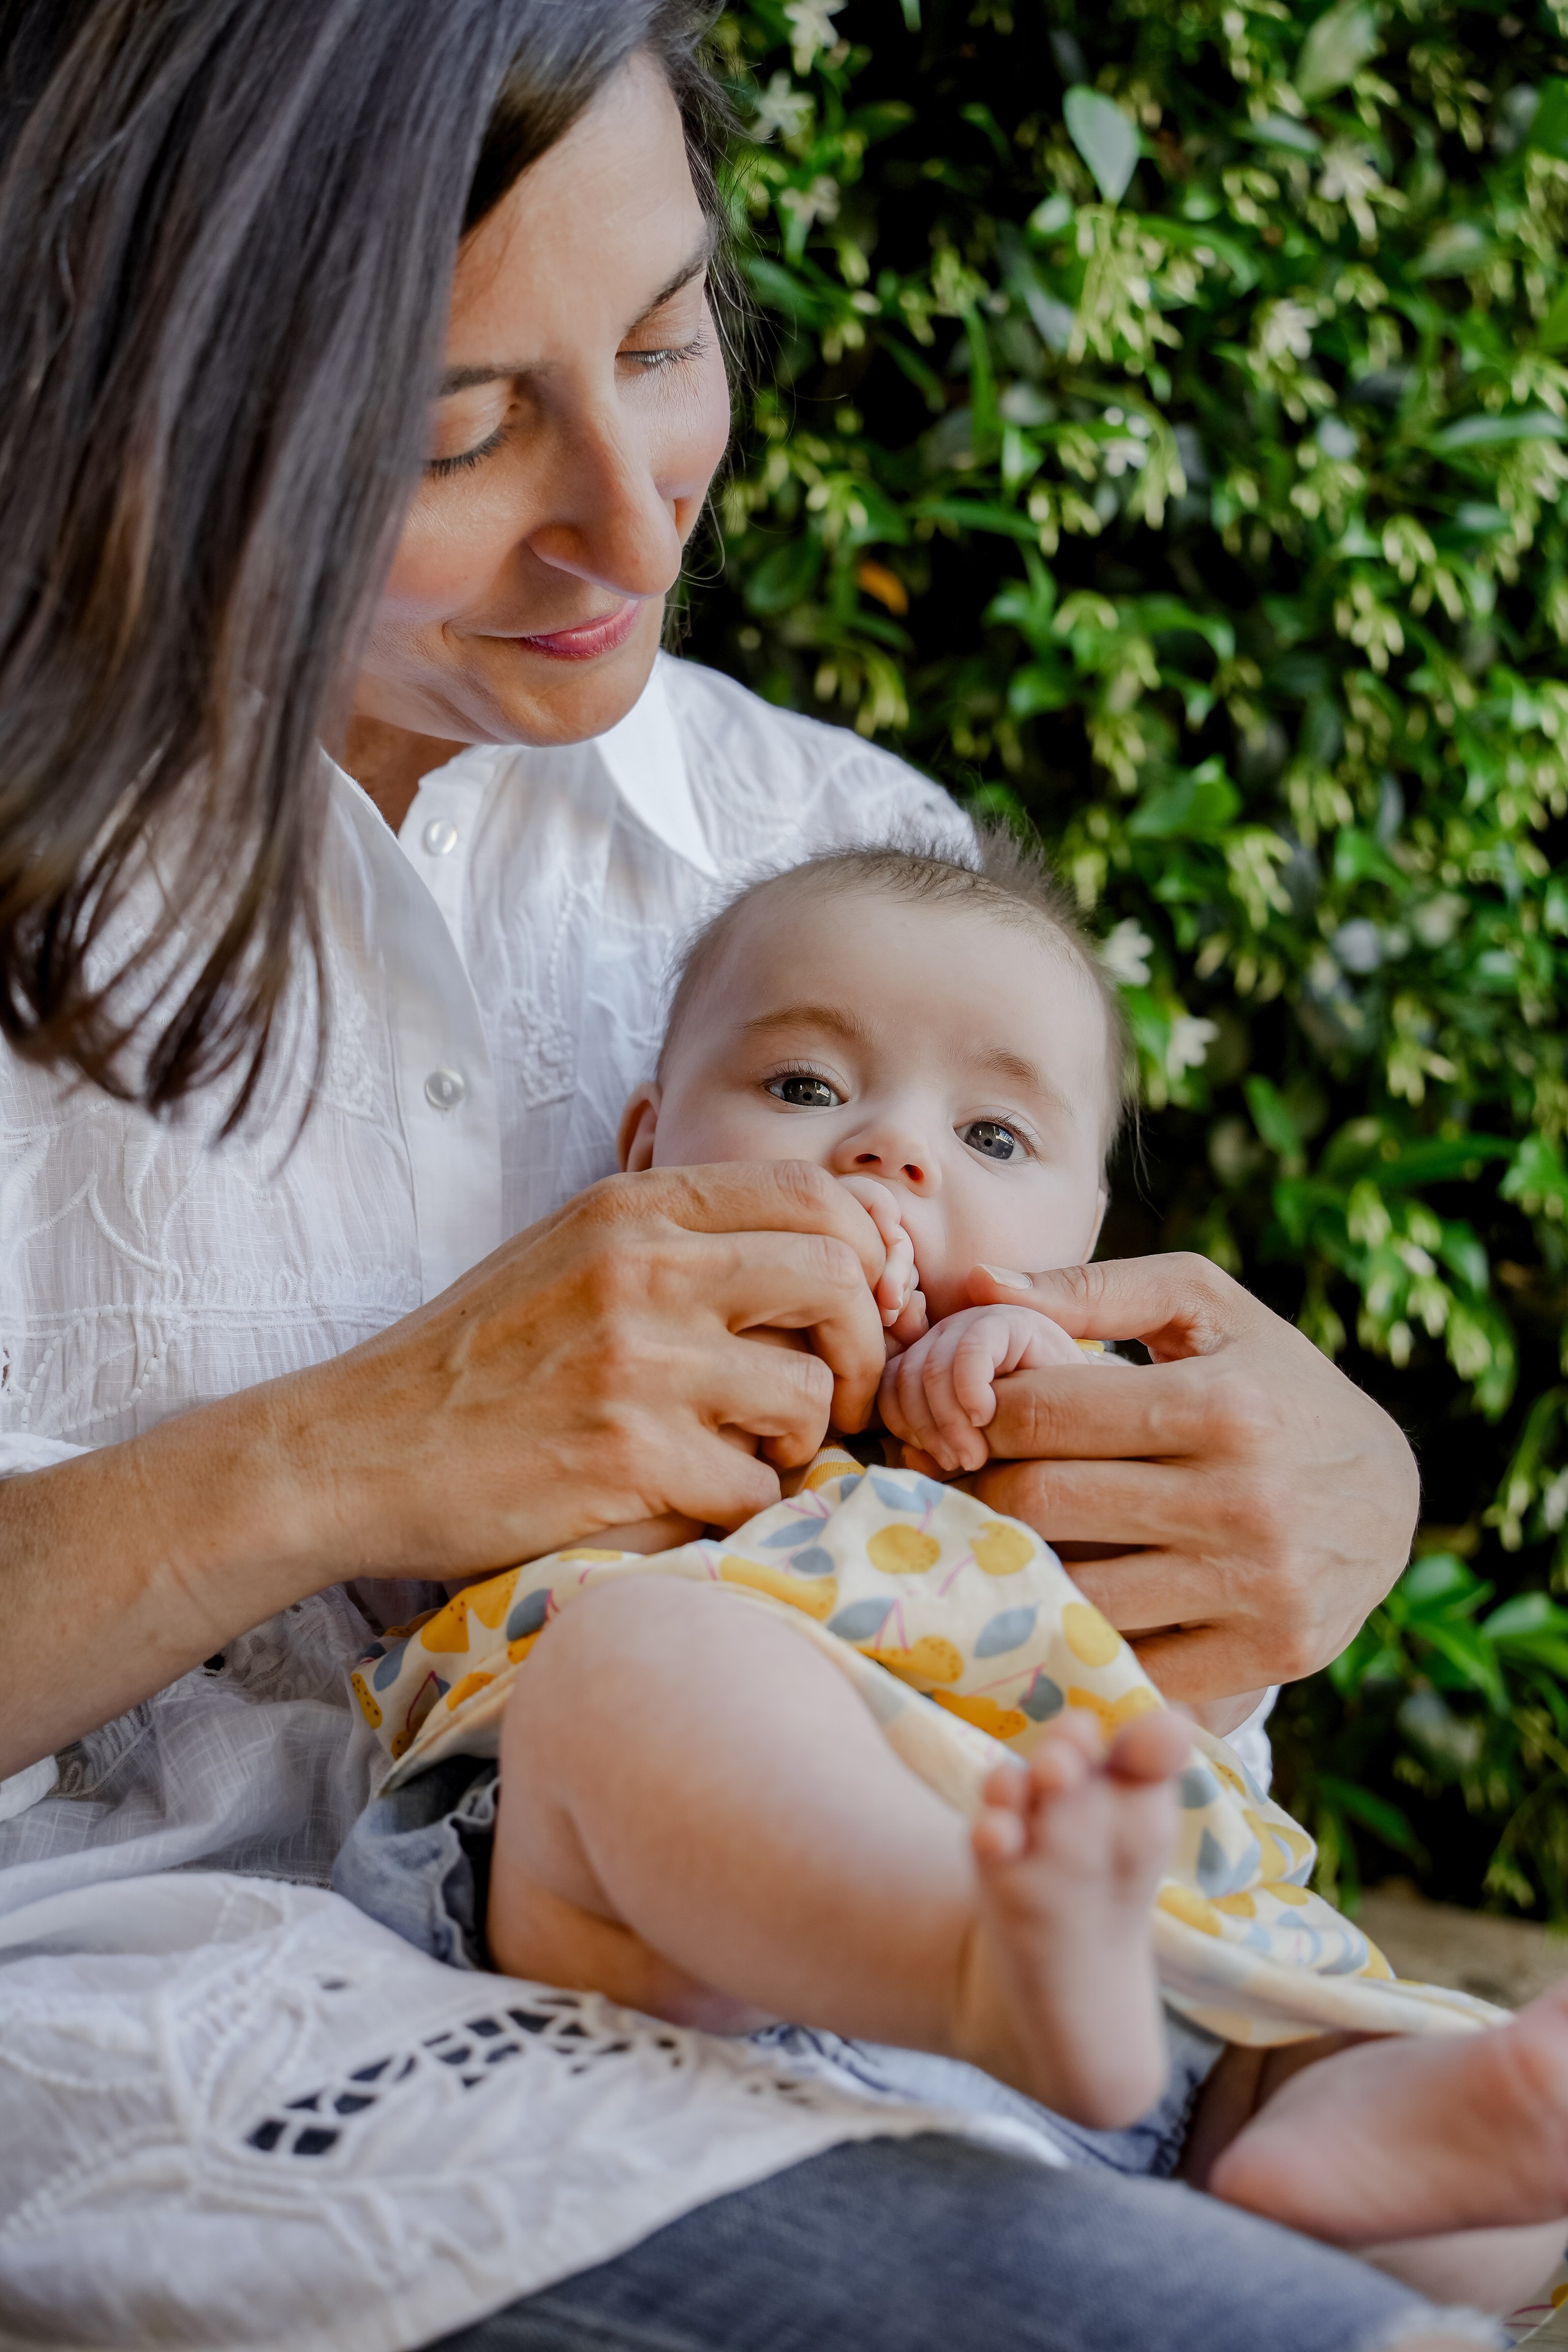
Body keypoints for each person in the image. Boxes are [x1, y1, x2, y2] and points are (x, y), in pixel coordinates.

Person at [0, 4, 1488, 2348]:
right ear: (130, 419)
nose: (636, 510)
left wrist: (1320, 1504)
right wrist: (345, 1452)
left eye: (671, 336)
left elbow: (1087, 1548)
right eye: (455, 431)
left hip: (997, 1995)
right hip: (245, 2064)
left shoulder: (836, 868)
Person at [334, 836, 1567, 2325]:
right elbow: (430, 1556)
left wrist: (1020, 1379)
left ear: (1082, 1245)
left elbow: (1203, 1683)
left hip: (1137, 1994)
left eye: (991, 1138)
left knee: (1325, 2048)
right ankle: (975, 1951)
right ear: (644, 1148)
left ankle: (1375, 2132)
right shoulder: (605, 1362)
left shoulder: (1066, 1438)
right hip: (664, 1943)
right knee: (642, 1662)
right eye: (802, 1088)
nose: (892, 1150)